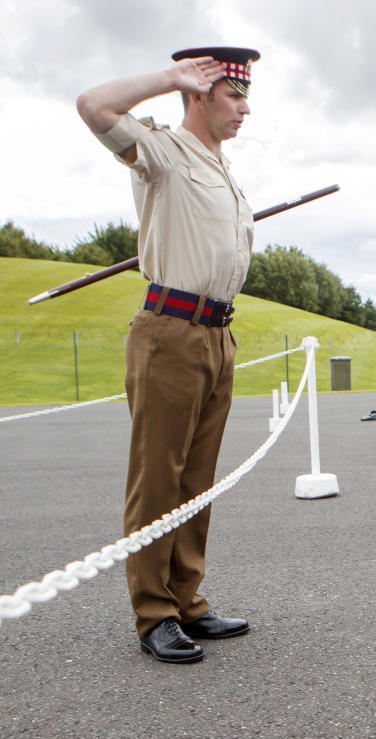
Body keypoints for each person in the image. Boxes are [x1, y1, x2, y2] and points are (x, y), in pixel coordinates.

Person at [76, 46, 260, 663]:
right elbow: (93, 106)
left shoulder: (223, 167)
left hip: (216, 331)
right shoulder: (162, 151)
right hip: (170, 330)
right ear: (200, 93)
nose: (245, 108)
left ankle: (188, 601)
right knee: (159, 477)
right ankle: (153, 613)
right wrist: (167, 79)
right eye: (234, 95)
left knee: (196, 480)